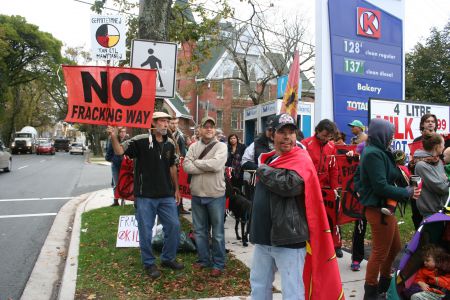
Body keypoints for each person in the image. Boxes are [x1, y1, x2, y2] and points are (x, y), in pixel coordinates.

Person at [250, 113, 343, 299]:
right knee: (259, 285)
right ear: (271, 134)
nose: (287, 137)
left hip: (289, 238)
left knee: (292, 291)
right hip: (263, 235)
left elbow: (288, 186)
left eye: (291, 132)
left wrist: (259, 168)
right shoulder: (267, 159)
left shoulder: (301, 159)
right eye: (281, 132)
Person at [106, 111, 184, 279]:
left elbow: (172, 167)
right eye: (162, 121)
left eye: (167, 121)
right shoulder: (140, 140)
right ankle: (149, 263)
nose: (165, 124)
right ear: (154, 123)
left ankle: (167, 258)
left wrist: (176, 189)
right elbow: (119, 151)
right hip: (145, 196)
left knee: (174, 226)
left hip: (166, 195)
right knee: (145, 231)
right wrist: (113, 136)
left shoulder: (170, 143)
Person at [355, 118, 421, 299]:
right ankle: (371, 291)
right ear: (381, 134)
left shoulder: (380, 151)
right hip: (379, 209)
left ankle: (384, 284)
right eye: (390, 134)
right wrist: (406, 192)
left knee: (394, 248)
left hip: (384, 208)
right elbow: (380, 186)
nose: (392, 137)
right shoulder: (374, 154)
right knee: (379, 252)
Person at [183, 116, 228, 277]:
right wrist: (206, 166)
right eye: (205, 126)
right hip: (197, 196)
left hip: (215, 195)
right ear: (200, 129)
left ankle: (218, 263)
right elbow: (186, 166)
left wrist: (198, 163)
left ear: (214, 130)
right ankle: (204, 260)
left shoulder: (222, 146)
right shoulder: (193, 146)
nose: (209, 129)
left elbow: (216, 165)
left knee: (217, 233)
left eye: (211, 126)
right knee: (200, 231)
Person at [302, 119, 343, 258]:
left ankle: (334, 245)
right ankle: (309, 245)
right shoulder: (306, 144)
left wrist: (334, 188)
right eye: (324, 135)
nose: (327, 139)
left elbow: (333, 168)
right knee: (310, 218)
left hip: (326, 189)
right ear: (318, 131)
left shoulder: (331, 146)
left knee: (332, 217)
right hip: (309, 188)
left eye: (329, 136)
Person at [414, 133, 449, 218]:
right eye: (443, 144)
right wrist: (446, 181)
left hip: (444, 209)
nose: (444, 147)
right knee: (434, 231)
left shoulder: (438, 160)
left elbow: (445, 181)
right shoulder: (421, 165)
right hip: (431, 212)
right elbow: (441, 188)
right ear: (437, 146)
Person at [380, 149, 411, 215]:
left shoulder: (398, 168)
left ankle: (391, 209)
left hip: (400, 189)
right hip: (400, 189)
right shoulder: (400, 168)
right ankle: (390, 209)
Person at [169, 117, 189, 215]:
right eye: (172, 123)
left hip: (176, 164)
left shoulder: (180, 136)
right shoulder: (167, 134)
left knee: (177, 187)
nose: (174, 125)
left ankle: (178, 207)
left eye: (176, 123)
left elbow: (182, 153)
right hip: (167, 164)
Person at [105, 127, 127, 206]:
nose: (123, 134)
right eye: (121, 132)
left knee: (125, 183)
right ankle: (116, 200)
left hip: (125, 165)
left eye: (124, 132)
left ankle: (123, 200)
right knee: (116, 183)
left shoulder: (128, 141)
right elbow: (108, 154)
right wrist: (113, 160)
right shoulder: (113, 140)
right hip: (115, 165)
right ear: (118, 133)